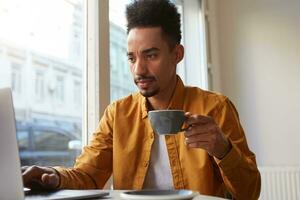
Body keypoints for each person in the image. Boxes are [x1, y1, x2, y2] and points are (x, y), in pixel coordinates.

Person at [22, 0, 261, 199]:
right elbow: (88, 175)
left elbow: (249, 194)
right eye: (131, 58)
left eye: (151, 55)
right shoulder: (118, 113)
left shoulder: (215, 108)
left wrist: (223, 149)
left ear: (177, 54)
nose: (139, 70)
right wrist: (53, 176)